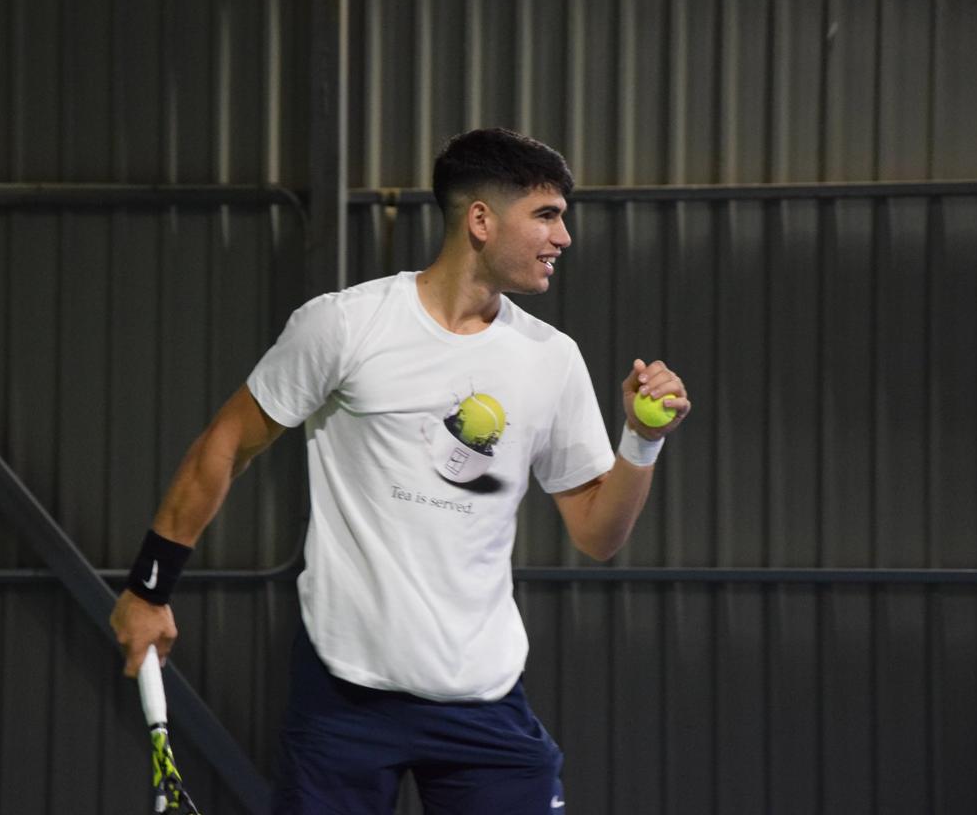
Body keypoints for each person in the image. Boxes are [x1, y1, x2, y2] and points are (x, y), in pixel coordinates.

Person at [110, 127, 691, 813]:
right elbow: (225, 445)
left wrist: (641, 442)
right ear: (480, 219)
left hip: (484, 701)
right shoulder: (345, 326)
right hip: (343, 701)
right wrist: (149, 588)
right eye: (546, 214)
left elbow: (598, 534)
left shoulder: (552, 359)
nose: (563, 236)